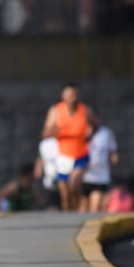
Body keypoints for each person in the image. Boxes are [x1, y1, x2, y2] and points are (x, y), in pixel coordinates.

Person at [42, 82, 96, 211]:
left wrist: (91, 132)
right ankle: (69, 214)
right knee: (65, 193)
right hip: (63, 157)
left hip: (80, 154)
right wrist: (55, 131)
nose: (73, 97)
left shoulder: (85, 111)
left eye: (75, 94)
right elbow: (45, 133)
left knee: (74, 184)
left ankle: (78, 212)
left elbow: (96, 125)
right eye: (70, 94)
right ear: (63, 96)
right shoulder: (56, 111)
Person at [81, 114, 118, 212]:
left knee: (95, 206)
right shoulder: (83, 131)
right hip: (84, 175)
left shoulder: (106, 133)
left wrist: (114, 158)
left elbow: (113, 151)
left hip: (100, 176)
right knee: (83, 207)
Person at [34, 136, 61, 210]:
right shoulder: (45, 143)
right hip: (50, 177)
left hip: (63, 175)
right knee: (52, 202)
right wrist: (38, 168)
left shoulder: (64, 141)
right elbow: (40, 157)